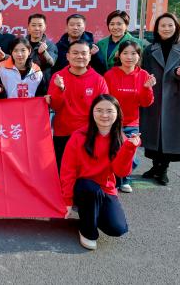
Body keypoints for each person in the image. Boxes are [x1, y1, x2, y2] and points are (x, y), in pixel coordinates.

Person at [60, 94, 141, 250]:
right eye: (99, 110)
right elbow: (67, 171)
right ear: (92, 112)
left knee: (117, 228)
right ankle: (87, 231)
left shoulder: (122, 138)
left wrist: (129, 149)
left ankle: (89, 214)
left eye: (109, 111)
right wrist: (67, 201)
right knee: (89, 187)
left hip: (105, 189)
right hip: (83, 187)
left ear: (117, 113)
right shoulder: (79, 136)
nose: (104, 115)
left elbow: (121, 172)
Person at [140, 13, 180, 186]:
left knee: (170, 135)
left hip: (175, 97)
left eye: (170, 25)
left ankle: (163, 169)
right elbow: (143, 71)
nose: (166, 28)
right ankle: (155, 167)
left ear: (176, 27)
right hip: (154, 96)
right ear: (157, 28)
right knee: (154, 135)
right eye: (162, 25)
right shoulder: (149, 50)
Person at [48, 40, 109, 171]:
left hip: (89, 134)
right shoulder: (58, 77)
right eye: (75, 53)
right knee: (63, 170)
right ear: (68, 56)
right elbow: (54, 106)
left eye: (84, 53)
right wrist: (60, 89)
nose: (80, 56)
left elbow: (104, 109)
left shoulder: (99, 80)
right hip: (63, 133)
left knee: (86, 172)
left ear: (90, 56)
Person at [104, 40, 155, 193]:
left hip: (132, 122)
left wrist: (147, 88)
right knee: (114, 151)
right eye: (125, 53)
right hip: (111, 122)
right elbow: (104, 99)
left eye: (133, 53)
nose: (129, 57)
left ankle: (124, 179)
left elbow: (146, 103)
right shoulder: (110, 74)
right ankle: (115, 180)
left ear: (139, 56)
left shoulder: (143, 75)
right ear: (119, 55)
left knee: (129, 151)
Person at [26, 13, 57, 84]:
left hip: (42, 84)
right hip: (24, 83)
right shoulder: (21, 44)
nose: (37, 28)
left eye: (40, 25)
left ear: (45, 27)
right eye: (33, 25)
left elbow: (51, 63)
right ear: (28, 27)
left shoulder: (50, 45)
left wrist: (43, 53)